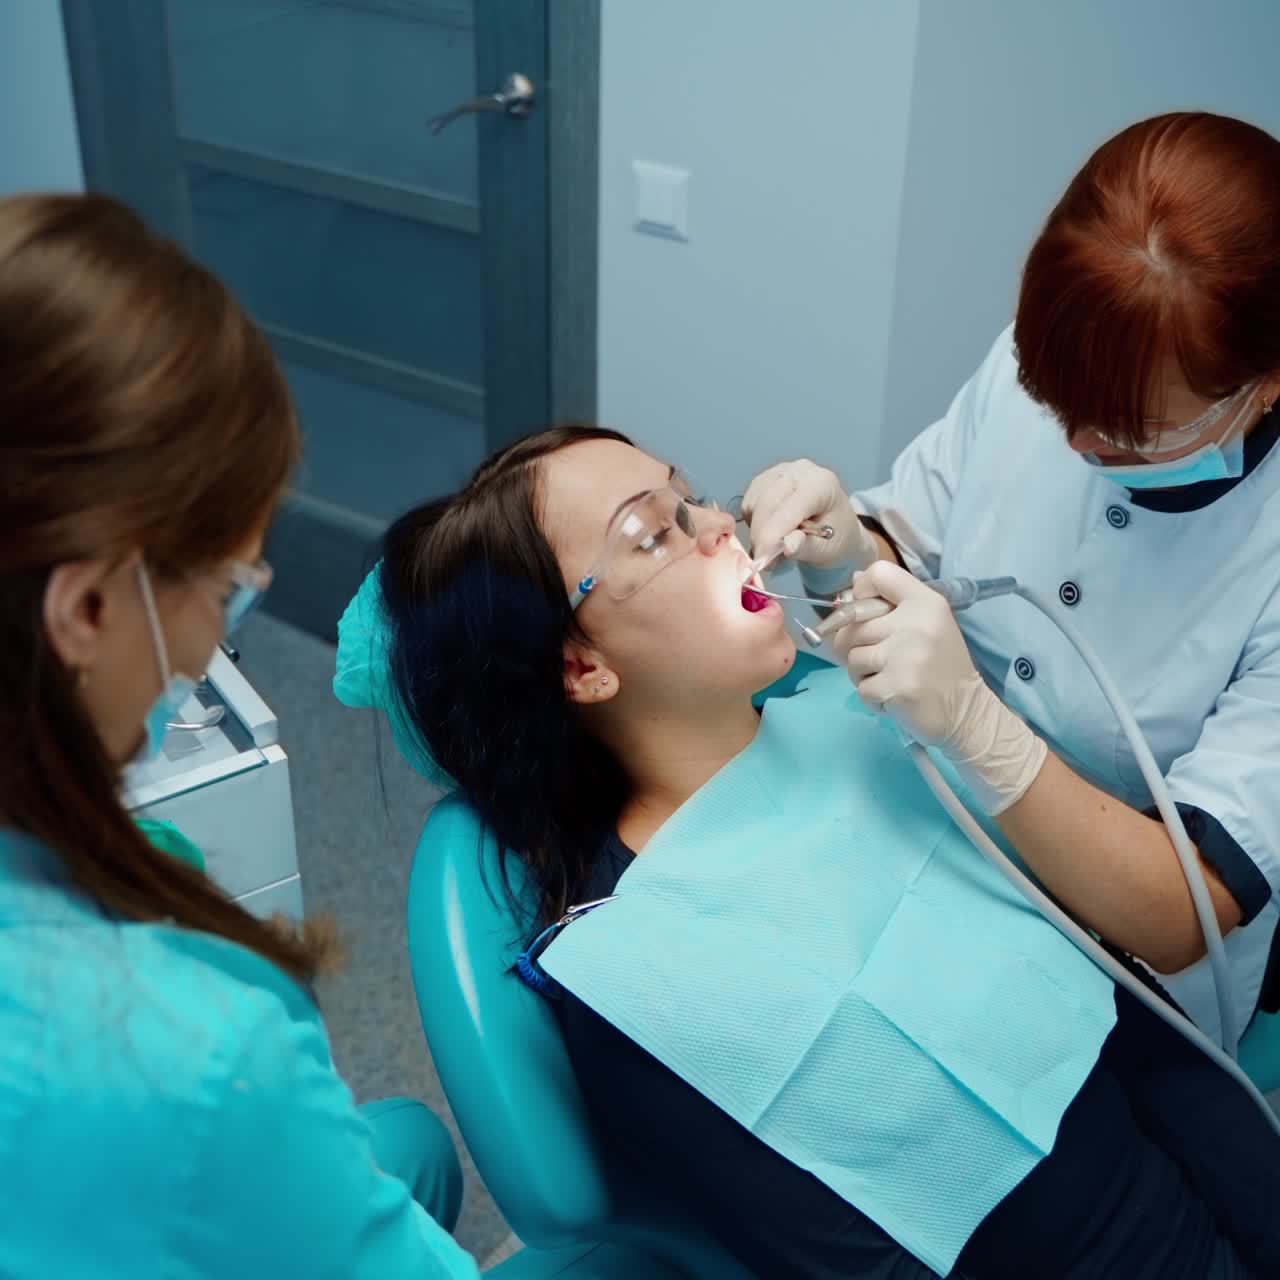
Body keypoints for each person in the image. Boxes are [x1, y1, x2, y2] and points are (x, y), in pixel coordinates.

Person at [365, 423, 1280, 1278]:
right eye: (655, 534)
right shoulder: (640, 975)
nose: (721, 528)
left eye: (693, 500)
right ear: (581, 668)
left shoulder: (853, 719)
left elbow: (1126, 1020)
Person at [0, 192, 479, 1277]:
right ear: (86, 609)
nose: (221, 636)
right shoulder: (201, 1044)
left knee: (402, 1142)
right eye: (225, 589)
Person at [742, 111, 1280, 1045]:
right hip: (937, 844)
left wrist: (984, 734)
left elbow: (1177, 912)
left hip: (1119, 962)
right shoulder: (1073, 366)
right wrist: (847, 546)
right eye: (1055, 402)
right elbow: (917, 536)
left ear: (1265, 382)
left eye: (1128, 432)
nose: (1075, 443)